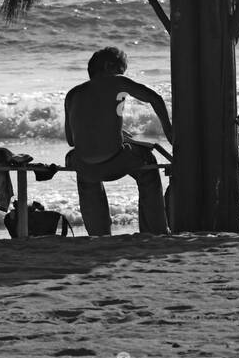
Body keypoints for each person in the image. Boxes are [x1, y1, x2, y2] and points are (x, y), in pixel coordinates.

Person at [64, 46, 172, 236]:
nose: (122, 75)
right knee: (148, 163)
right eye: (121, 70)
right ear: (109, 66)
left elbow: (71, 140)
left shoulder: (73, 94)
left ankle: (99, 233)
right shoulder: (116, 82)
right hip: (115, 161)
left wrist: (112, 131)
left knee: (82, 166)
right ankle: (155, 231)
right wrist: (171, 134)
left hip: (85, 165)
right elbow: (155, 99)